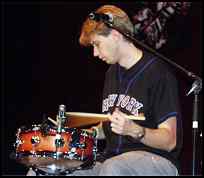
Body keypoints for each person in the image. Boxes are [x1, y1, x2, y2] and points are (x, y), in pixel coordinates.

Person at [26, 4, 183, 176]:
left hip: (157, 160)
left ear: (116, 35)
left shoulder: (158, 73)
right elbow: (111, 124)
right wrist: (84, 134)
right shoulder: (111, 73)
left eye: (97, 44)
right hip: (112, 157)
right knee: (43, 171)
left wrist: (135, 130)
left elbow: (170, 141)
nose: (94, 52)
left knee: (113, 168)